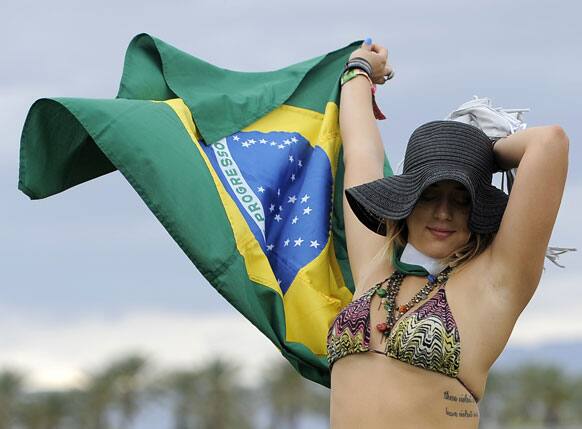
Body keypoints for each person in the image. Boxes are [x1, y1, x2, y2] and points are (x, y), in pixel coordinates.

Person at [327, 39, 569, 428]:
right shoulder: (376, 267)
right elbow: (361, 152)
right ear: (404, 204)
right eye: (428, 196)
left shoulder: (496, 282)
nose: (443, 212)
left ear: (477, 211)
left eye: (461, 199)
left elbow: (550, 143)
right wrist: (358, 71)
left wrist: (478, 152)